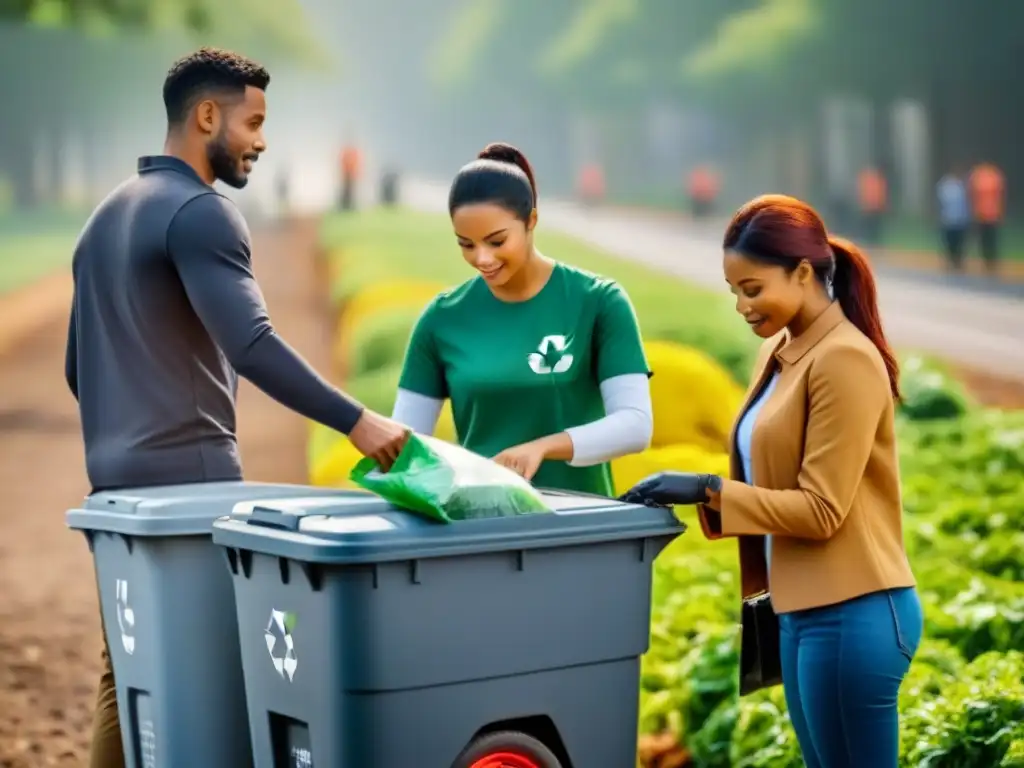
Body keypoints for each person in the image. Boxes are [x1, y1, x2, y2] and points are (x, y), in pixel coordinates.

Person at [64, 47, 409, 768]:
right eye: (253, 122)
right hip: (193, 485)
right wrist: (358, 420)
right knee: (221, 683)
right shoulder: (201, 213)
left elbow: (77, 368)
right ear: (208, 115)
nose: (261, 139)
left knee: (126, 679)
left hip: (116, 489)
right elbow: (252, 344)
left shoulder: (102, 220)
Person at [620, 194, 921, 768]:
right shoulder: (778, 354)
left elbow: (821, 510)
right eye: (734, 290)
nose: (740, 304)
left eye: (752, 289)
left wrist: (705, 488)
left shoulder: (846, 360)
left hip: (854, 610)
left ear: (803, 272)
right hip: (797, 610)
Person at [391, 142, 653, 494]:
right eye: (466, 245)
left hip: (582, 525)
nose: (482, 258)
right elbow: (407, 444)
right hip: (481, 526)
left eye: (496, 241)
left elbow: (635, 425)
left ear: (531, 220)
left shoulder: (598, 302)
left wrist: (543, 448)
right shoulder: (442, 319)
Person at [968, 161, 1005, 274]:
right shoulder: (994, 176)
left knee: (988, 240)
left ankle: (990, 261)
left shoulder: (978, 176)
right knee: (988, 240)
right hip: (987, 215)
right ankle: (989, 261)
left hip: (988, 215)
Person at [936, 167, 970, 271]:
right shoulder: (945, 185)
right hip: (948, 219)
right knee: (950, 242)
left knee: (960, 243)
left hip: (960, 220)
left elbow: (966, 203)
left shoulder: (962, 185)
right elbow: (940, 202)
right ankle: (951, 261)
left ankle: (958, 262)